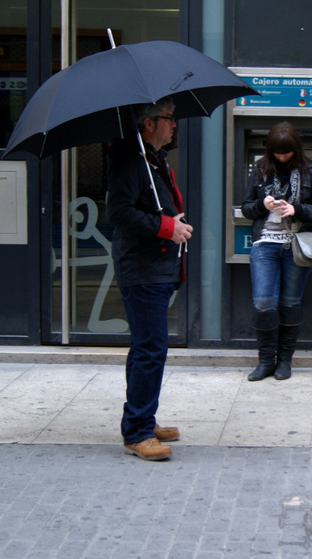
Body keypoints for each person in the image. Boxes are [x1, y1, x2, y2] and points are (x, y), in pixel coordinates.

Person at [106, 95, 192, 461]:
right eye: (168, 118)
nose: (174, 125)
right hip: (142, 270)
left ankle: (143, 417)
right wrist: (165, 227)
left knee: (146, 347)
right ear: (148, 123)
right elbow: (120, 212)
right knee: (151, 349)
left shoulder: (151, 158)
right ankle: (138, 433)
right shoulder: (130, 160)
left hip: (155, 268)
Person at [240, 121, 312, 381]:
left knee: (290, 303)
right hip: (265, 245)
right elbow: (246, 208)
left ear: (295, 149)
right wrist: (262, 204)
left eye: (287, 152)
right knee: (264, 302)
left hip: (297, 247)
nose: (282, 157)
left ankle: (285, 362)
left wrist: (297, 209)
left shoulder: (309, 170)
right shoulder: (260, 170)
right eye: (277, 152)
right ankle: (266, 361)